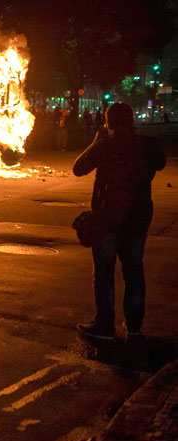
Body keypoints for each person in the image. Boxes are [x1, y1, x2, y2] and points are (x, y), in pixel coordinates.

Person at [73, 102, 166, 341]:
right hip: (137, 220)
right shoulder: (148, 145)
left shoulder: (105, 146)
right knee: (134, 271)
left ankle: (105, 326)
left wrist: (97, 141)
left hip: (107, 220)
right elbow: (161, 162)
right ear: (132, 121)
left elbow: (78, 168)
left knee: (105, 273)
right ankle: (134, 327)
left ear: (108, 123)